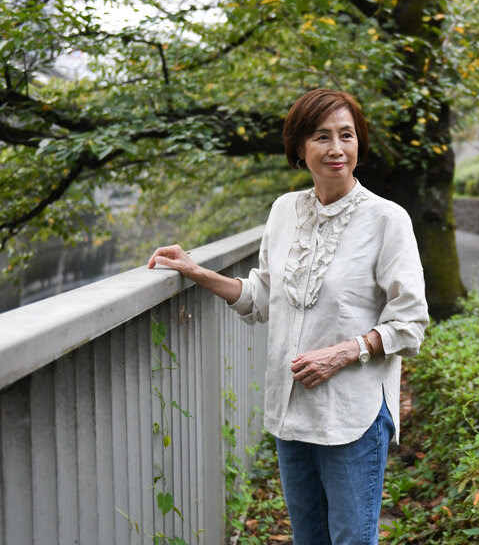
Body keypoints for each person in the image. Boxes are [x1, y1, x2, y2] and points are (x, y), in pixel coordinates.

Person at [148, 88, 429, 545]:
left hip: (351, 413)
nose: (336, 149)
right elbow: (262, 295)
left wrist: (342, 353)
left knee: (352, 539)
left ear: (359, 144)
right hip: (291, 409)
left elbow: (411, 320)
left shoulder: (387, 219)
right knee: (308, 539)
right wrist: (195, 270)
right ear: (300, 147)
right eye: (322, 137)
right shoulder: (285, 211)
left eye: (346, 135)